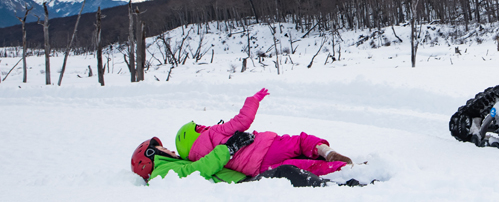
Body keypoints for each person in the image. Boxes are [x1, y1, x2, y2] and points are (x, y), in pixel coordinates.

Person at [175, 88, 353, 179]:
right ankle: (325, 151)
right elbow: (242, 120)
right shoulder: (213, 132)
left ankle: (340, 169)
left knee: (300, 167)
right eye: (198, 126)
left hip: (260, 169)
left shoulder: (202, 160)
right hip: (268, 145)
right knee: (300, 142)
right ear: (195, 132)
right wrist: (253, 100)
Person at [130, 136, 328, 187]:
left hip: (240, 181)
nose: (169, 149)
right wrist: (228, 148)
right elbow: (198, 170)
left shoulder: (171, 166)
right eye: (162, 149)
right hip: (237, 188)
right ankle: (333, 189)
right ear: (149, 158)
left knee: (285, 165)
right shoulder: (162, 173)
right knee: (285, 172)